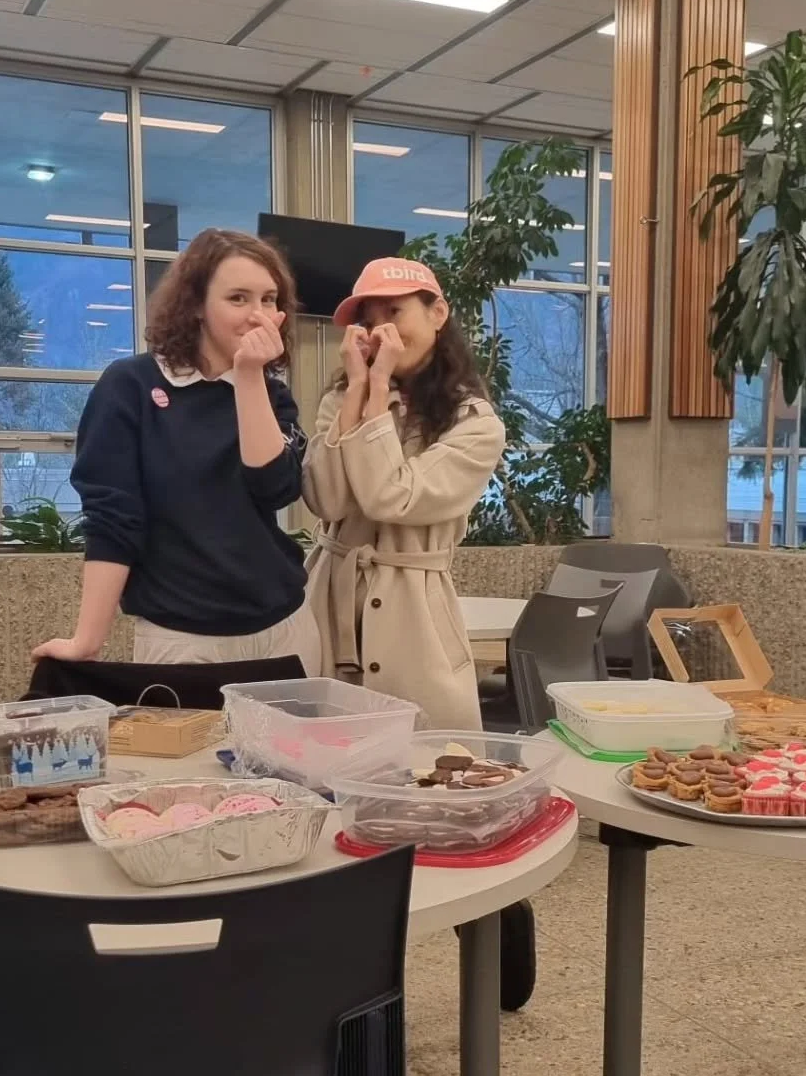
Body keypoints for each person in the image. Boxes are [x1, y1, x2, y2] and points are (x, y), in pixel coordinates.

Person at [33, 228, 319, 673]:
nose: (258, 315)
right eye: (238, 298)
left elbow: (275, 488)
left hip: (284, 629)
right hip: (181, 640)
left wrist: (248, 377)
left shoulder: (270, 394)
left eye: (269, 299)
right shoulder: (130, 386)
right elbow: (113, 518)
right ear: (197, 306)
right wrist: (87, 640)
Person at [302, 259, 504, 730]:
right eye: (369, 321)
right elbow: (327, 501)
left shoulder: (475, 424)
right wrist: (358, 389)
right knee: (320, 757)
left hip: (415, 612)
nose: (381, 331)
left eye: (395, 312)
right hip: (329, 601)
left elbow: (390, 498)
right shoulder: (341, 398)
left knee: (427, 766)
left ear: (438, 314)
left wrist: (373, 389)